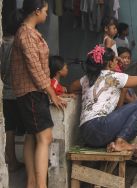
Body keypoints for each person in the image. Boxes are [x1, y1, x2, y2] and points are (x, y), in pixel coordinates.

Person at [69, 45, 137, 153]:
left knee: (135, 129)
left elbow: (71, 87)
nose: (117, 62)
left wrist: (86, 92)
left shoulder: (87, 78)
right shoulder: (114, 77)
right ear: (110, 63)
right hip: (100, 126)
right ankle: (120, 142)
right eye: (115, 60)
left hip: (87, 134)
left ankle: (114, 143)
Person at [10, 0, 67, 187]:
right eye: (45, 11)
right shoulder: (26, 34)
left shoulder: (30, 33)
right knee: (45, 137)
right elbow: (35, 68)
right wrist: (52, 93)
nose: (46, 14)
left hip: (32, 91)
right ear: (36, 11)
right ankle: (40, 184)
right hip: (31, 92)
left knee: (31, 136)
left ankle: (32, 182)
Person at [0, 10, 25, 173]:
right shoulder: (17, 43)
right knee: (16, 129)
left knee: (9, 128)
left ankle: (10, 158)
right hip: (17, 91)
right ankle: (12, 160)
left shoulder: (3, 43)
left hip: (6, 91)